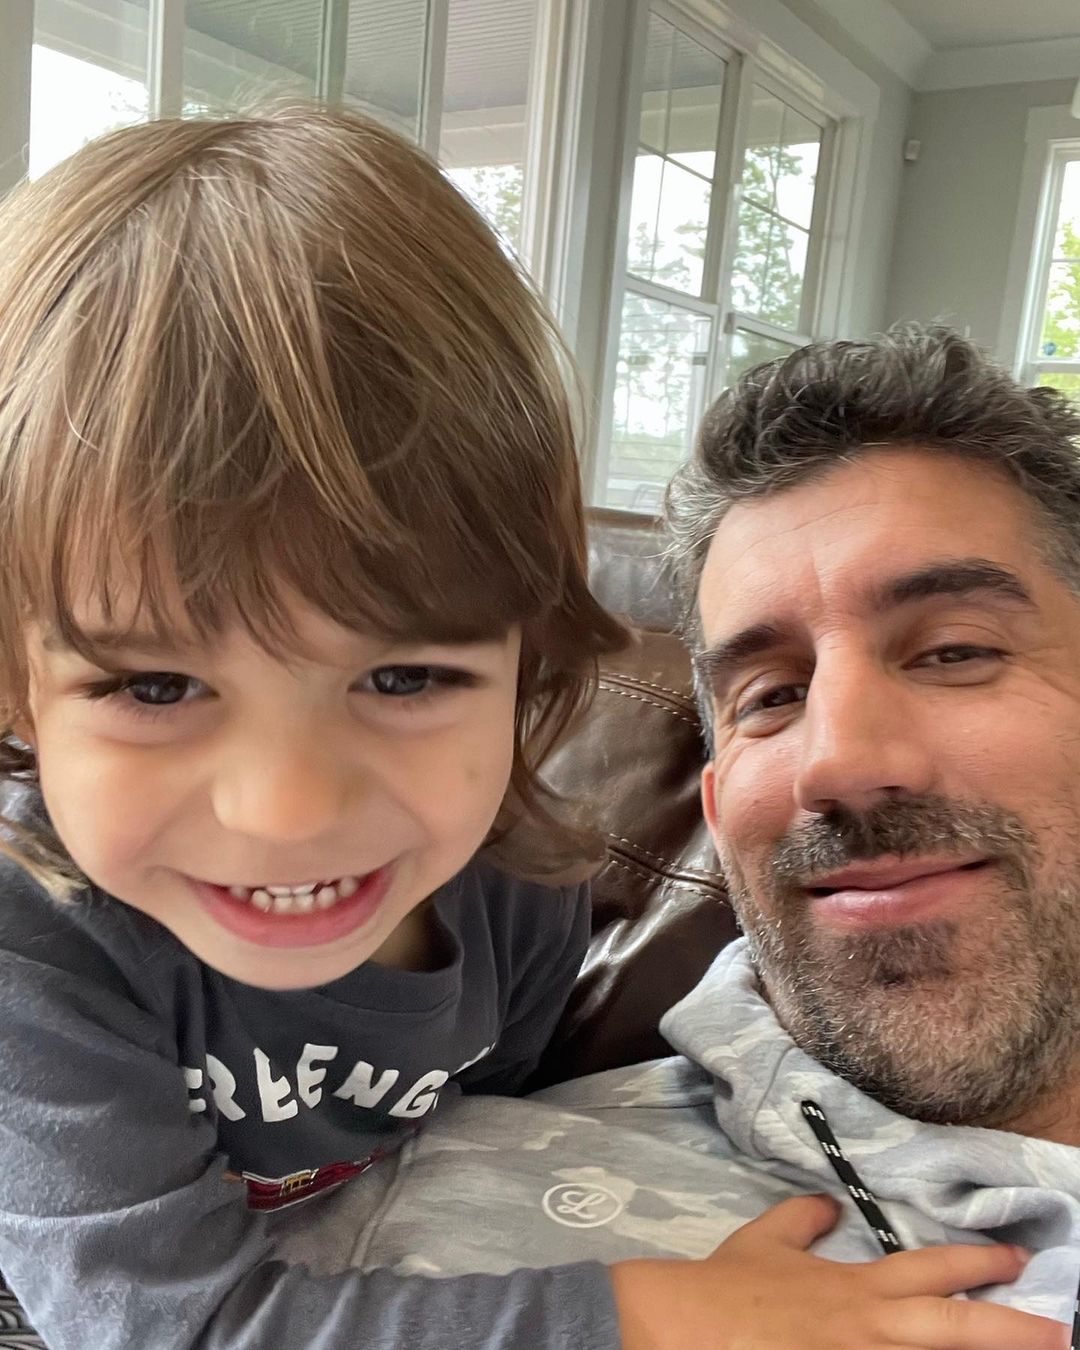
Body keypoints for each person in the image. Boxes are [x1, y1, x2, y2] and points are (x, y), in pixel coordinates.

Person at [0, 113, 1032, 1350]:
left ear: (525, 669)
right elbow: (170, 1331)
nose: (287, 812)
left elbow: (479, 1144)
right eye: (157, 688)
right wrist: (650, 1314)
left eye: (404, 676)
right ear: (17, 690)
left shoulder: (519, 896)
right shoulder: (29, 953)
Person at [241, 326, 1080, 1349]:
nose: (837, 761)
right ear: (720, 809)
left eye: (952, 652)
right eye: (771, 696)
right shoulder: (420, 1263)